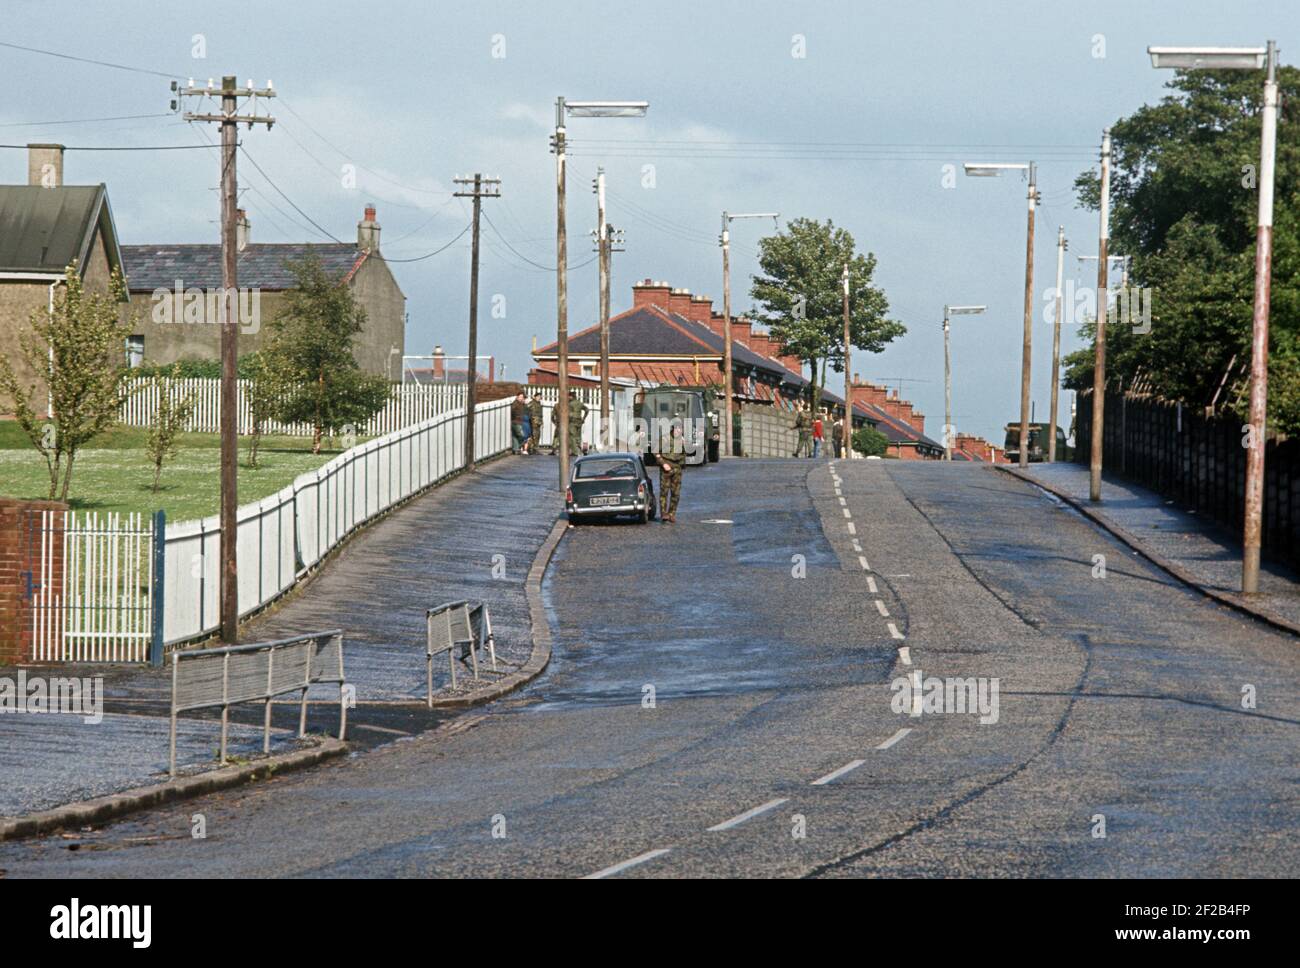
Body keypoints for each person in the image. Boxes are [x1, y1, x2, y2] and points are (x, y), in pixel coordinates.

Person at [656, 422, 687, 523]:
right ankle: (664, 514)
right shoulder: (664, 438)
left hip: (677, 468)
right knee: (664, 492)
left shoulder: (682, 440)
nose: (679, 431)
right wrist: (663, 463)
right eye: (677, 429)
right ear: (673, 429)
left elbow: (687, 454)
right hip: (666, 467)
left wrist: (685, 445)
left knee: (676, 493)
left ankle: (672, 513)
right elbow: (655, 451)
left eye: (680, 429)